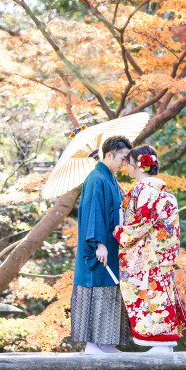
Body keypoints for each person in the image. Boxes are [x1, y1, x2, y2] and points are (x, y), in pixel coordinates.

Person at [114, 145, 186, 354]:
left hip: (149, 256)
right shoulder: (162, 193)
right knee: (161, 296)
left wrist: (119, 233)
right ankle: (163, 344)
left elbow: (139, 223)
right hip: (162, 254)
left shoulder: (143, 190)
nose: (127, 168)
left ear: (138, 165)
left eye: (129, 164)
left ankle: (161, 343)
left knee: (152, 298)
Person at [72, 136, 132, 354]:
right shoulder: (96, 178)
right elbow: (93, 212)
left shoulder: (109, 178)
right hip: (99, 247)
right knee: (96, 291)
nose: (124, 164)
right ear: (109, 155)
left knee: (110, 291)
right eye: (123, 159)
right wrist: (99, 243)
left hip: (112, 245)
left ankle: (105, 342)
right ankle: (91, 343)